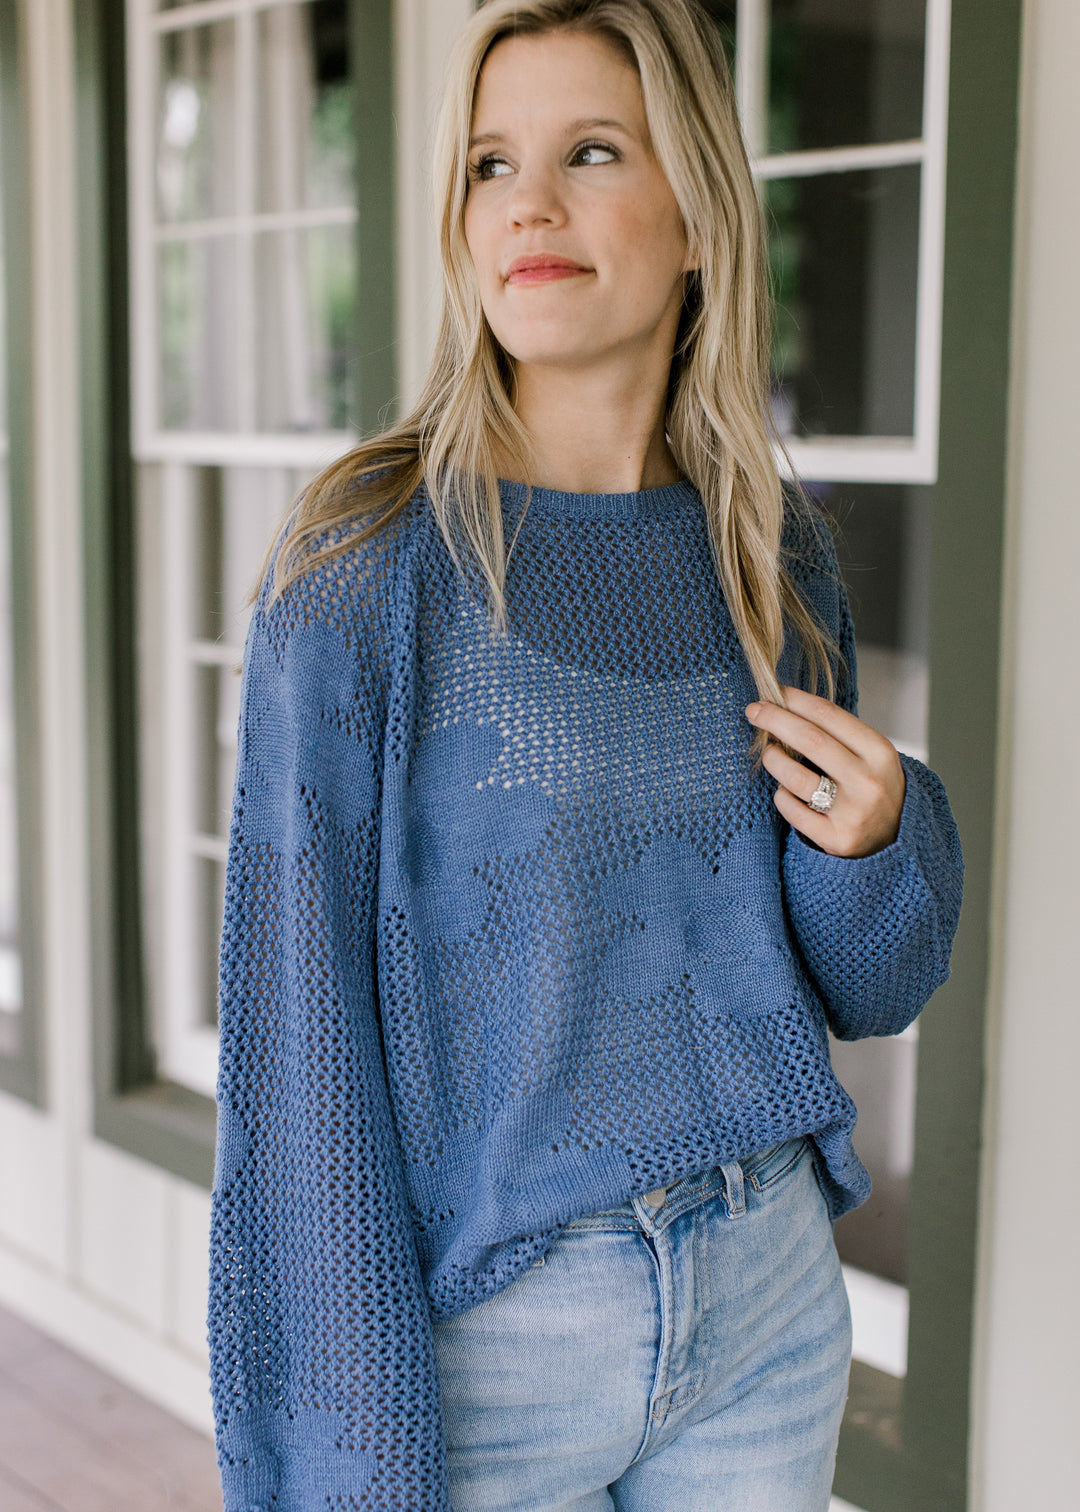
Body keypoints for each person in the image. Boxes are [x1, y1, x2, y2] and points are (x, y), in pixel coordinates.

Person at [207, 1, 963, 1508]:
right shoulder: (366, 580)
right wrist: (350, 1461)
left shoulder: (772, 556)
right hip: (496, 1344)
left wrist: (880, 841)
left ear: (696, 215)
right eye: (491, 163)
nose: (527, 207)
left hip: (764, 1305)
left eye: (590, 151)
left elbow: (867, 988)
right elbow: (298, 1079)